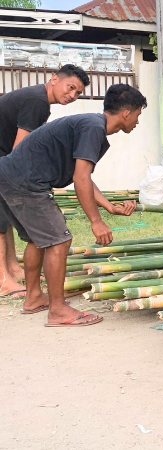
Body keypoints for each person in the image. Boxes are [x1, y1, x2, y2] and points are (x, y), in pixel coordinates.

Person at [0, 84, 145, 326]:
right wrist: (96, 222)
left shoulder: (92, 126)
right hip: (26, 181)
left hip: (10, 177)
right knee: (59, 239)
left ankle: (33, 297)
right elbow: (80, 179)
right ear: (126, 113)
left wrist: (109, 207)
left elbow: (84, 176)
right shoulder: (93, 127)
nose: (137, 122)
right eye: (138, 115)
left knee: (38, 239)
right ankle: (58, 311)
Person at [0, 64, 90, 300]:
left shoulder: (38, 99)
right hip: (4, 162)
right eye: (70, 87)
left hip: (3, 161)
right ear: (54, 79)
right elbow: (21, 151)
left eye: (78, 93)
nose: (72, 95)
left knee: (5, 219)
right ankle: (3, 280)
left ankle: (13, 269)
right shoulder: (36, 101)